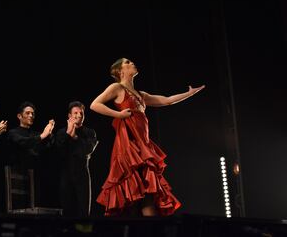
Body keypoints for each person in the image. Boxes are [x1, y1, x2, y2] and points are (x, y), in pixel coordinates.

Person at [90, 58, 205, 217]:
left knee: (147, 193)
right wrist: (119, 114)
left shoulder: (141, 95)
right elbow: (95, 104)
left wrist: (189, 93)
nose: (132, 63)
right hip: (129, 147)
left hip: (143, 147)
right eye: (128, 62)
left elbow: (166, 101)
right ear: (120, 71)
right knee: (134, 191)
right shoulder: (117, 87)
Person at [6, 101, 55, 209]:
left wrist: (49, 133)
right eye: (28, 113)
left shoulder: (35, 134)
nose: (31, 116)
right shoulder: (13, 133)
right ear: (19, 116)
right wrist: (42, 136)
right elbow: (24, 142)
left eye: (32, 113)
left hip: (35, 178)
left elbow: (47, 147)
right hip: (18, 178)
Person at [54, 101, 98, 217]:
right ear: (69, 116)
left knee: (83, 211)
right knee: (67, 210)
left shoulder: (90, 132)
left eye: (81, 113)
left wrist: (74, 137)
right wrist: (68, 133)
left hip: (82, 175)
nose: (79, 116)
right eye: (75, 113)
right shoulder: (61, 132)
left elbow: (87, 150)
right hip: (65, 175)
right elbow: (59, 152)